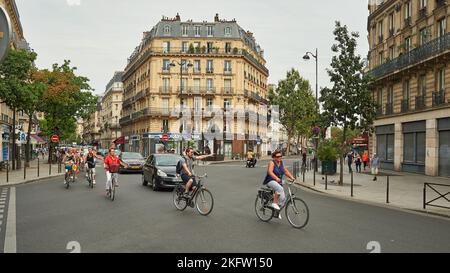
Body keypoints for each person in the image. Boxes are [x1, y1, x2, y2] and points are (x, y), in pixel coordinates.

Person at [263, 150, 296, 220]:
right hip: (271, 180)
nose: (279, 158)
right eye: (278, 156)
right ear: (274, 157)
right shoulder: (272, 162)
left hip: (278, 181)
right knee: (280, 189)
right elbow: (269, 171)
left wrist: (292, 177)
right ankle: (274, 203)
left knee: (283, 199)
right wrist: (276, 178)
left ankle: (276, 212)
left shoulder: (281, 163)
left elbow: (285, 171)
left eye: (280, 156)